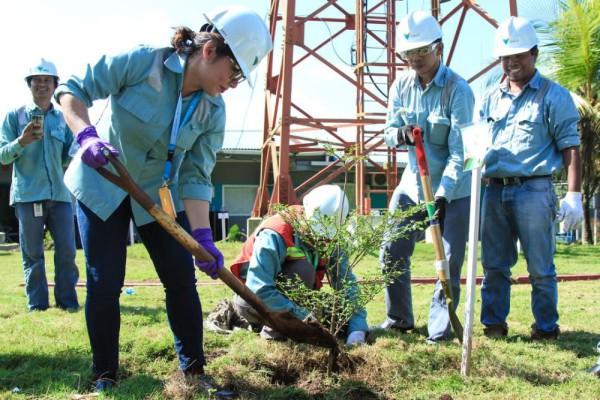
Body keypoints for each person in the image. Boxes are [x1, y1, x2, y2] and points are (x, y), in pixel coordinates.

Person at [54, 6, 272, 392]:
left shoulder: (212, 110)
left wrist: (203, 237)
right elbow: (73, 87)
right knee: (105, 281)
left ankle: (194, 372)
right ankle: (105, 373)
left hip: (156, 198)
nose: (235, 83)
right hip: (102, 181)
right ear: (209, 52)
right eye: (235, 72)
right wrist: (84, 134)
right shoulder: (144, 62)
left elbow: (196, 175)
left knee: (180, 279)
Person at [479, 16, 582, 340]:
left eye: (519, 55)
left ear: (534, 53)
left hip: (534, 191)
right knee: (494, 265)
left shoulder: (554, 96)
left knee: (540, 267)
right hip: (493, 190)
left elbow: (570, 147)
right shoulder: (489, 96)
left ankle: (546, 328)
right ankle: (494, 325)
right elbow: (477, 140)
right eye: (506, 57)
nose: (512, 63)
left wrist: (575, 195)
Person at [378, 11, 474, 343]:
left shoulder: (458, 90)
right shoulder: (401, 85)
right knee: (391, 250)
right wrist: (399, 134)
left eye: (422, 51)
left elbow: (460, 153)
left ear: (439, 48)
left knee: (447, 260)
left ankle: (441, 330)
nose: (415, 58)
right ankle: (399, 319)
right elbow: (388, 132)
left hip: (453, 190)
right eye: (409, 53)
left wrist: (443, 194)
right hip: (412, 184)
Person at [222, 185, 368, 346]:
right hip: (252, 301)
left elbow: (347, 284)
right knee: (302, 269)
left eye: (327, 237)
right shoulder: (275, 233)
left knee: (335, 311)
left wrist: (357, 329)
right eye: (318, 234)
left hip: (295, 304)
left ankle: (285, 328)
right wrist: (303, 317)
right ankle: (274, 334)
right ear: (305, 216)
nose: (323, 240)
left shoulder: (331, 238)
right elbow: (259, 288)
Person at [0, 59, 79, 312]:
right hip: (28, 196)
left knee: (67, 251)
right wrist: (21, 141)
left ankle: (67, 303)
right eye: (37, 80)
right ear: (29, 84)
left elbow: (68, 155)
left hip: (60, 195)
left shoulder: (62, 118)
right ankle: (37, 305)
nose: (42, 84)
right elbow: (2, 155)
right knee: (33, 254)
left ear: (55, 85)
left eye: (47, 80)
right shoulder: (14, 116)